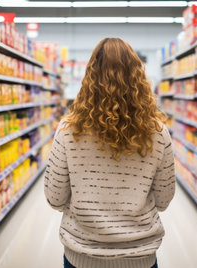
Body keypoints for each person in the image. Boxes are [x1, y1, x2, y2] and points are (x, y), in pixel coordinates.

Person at [44, 37, 175, 268]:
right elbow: (164, 200)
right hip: (140, 258)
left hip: (82, 256)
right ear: (138, 78)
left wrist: (88, 205)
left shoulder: (67, 131)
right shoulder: (158, 133)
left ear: (89, 78)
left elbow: (55, 198)